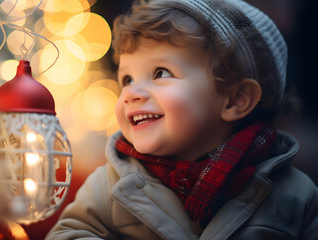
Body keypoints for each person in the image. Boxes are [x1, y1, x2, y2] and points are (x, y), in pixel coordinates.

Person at [46, 0, 318, 239]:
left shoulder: (294, 195)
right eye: (127, 79)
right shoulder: (112, 183)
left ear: (235, 100)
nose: (131, 93)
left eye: (161, 73)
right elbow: (68, 233)